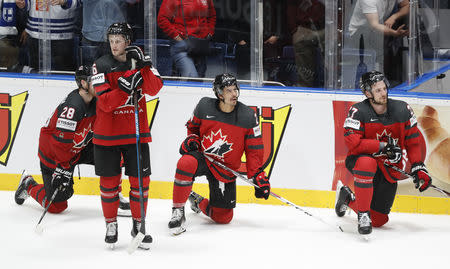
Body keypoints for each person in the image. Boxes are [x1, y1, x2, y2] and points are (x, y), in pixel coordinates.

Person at [14, 65, 131, 216]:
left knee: (114, 153)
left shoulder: (97, 99)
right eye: (95, 81)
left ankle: (115, 197)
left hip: (78, 149)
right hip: (54, 155)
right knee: (57, 206)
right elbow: (60, 143)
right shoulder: (73, 106)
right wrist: (62, 169)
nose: (101, 84)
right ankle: (28, 185)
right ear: (83, 84)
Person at [168, 73, 271, 235]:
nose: (234, 94)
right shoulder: (203, 106)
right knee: (185, 162)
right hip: (204, 157)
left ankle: (197, 200)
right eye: (229, 91)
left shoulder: (247, 116)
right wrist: (192, 139)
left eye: (235, 89)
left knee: (223, 217)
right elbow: (193, 128)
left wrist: (257, 175)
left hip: (225, 168)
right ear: (219, 93)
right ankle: (177, 210)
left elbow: (254, 150)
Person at [90, 22, 163, 249]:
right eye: (111, 40)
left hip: (135, 134)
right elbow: (106, 103)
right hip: (107, 135)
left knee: (140, 184)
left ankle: (139, 225)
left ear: (128, 41)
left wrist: (145, 66)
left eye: (118, 40)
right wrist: (124, 88)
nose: (114, 45)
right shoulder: (99, 65)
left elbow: (154, 88)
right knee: (110, 185)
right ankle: (111, 224)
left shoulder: (139, 61)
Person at [335, 70, 432, 236]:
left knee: (379, 220)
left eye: (384, 88)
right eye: (378, 90)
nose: (383, 93)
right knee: (368, 163)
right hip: (361, 161)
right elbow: (353, 144)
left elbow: (413, 141)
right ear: (367, 93)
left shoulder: (402, 110)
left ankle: (346, 197)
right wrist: (381, 146)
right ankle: (363, 215)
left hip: (388, 168)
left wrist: (418, 166)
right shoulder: (357, 112)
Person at [157, 0, 216, 78]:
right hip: (182, 44)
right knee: (192, 77)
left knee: (200, 77)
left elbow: (212, 15)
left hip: (200, 44)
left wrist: (209, 33)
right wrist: (177, 36)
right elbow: (162, 19)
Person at [347, 0, 409, 73]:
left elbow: (407, 5)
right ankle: (375, 75)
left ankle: (390, 74)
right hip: (359, 32)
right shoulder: (368, 1)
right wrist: (394, 33)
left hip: (379, 26)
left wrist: (394, 17)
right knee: (377, 37)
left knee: (400, 21)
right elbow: (375, 26)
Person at [286, 0, 325, 87]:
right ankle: (304, 85)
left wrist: (338, 30)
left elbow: (338, 7)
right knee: (300, 42)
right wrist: (294, 30)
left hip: (326, 28)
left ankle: (334, 83)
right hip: (304, 29)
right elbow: (291, 8)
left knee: (332, 46)